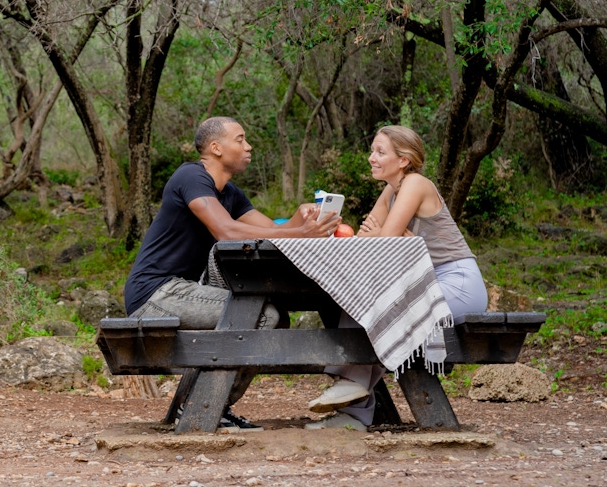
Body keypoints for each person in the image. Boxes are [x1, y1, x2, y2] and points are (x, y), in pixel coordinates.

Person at [124, 116, 341, 431]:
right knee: (263, 315)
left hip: (182, 290)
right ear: (216, 148)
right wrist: (303, 232)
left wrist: (302, 216)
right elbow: (226, 231)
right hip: (156, 293)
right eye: (240, 139)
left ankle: (209, 405)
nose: (248, 146)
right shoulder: (191, 177)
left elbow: (272, 231)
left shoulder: (231, 194)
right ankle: (208, 406)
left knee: (275, 316)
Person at [305, 125, 488, 430]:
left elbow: (383, 239)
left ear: (403, 160)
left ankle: (354, 391)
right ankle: (353, 405)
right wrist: (387, 235)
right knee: (358, 298)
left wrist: (387, 235)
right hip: (424, 280)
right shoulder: (392, 189)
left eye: (380, 152)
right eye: (372, 151)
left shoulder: (416, 184)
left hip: (455, 283)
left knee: (375, 302)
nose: (371, 158)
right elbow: (373, 240)